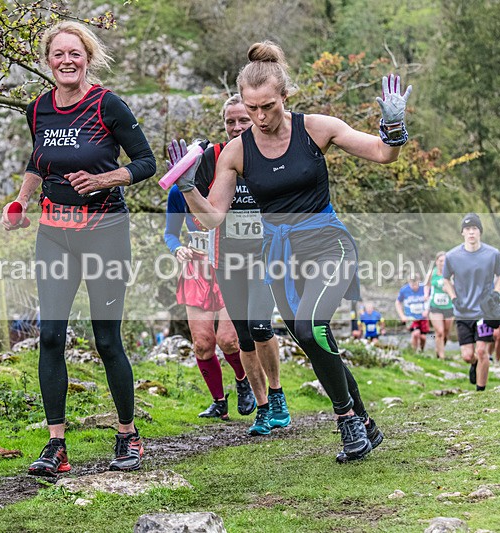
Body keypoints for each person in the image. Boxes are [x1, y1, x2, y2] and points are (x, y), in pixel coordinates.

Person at [175, 41, 412, 462]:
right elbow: (212, 218)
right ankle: (365, 422)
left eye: (267, 106)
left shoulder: (317, 128)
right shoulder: (237, 151)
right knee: (316, 339)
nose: (259, 117)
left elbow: (383, 154)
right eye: (251, 109)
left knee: (309, 326)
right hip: (281, 257)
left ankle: (346, 421)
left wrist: (392, 129)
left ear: (285, 96)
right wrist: (189, 185)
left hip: (327, 245)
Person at [1, 21, 156, 476]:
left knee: (106, 339)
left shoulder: (108, 105)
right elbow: (37, 161)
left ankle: (128, 435)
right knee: (50, 336)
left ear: (87, 58)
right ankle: (56, 446)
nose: (66, 61)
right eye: (58, 54)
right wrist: (20, 201)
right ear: (48, 61)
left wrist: (103, 179)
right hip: (54, 234)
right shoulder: (38, 109)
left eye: (75, 53)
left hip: (106, 232)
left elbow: (145, 162)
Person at [185, 94, 290, 436]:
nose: (236, 127)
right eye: (230, 121)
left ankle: (277, 393)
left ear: (257, 118)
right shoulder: (213, 157)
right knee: (244, 337)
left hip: (264, 257)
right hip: (226, 259)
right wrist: (186, 180)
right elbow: (200, 214)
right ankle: (262, 407)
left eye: (243, 119)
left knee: (260, 326)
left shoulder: (273, 152)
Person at [164, 156, 256, 421]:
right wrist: (177, 249)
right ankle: (219, 402)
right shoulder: (178, 192)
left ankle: (243, 382)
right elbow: (170, 233)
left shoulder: (228, 185)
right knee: (202, 344)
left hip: (227, 265)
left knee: (228, 340)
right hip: (196, 270)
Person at [441, 213, 500, 391]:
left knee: (482, 350)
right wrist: (454, 298)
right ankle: (474, 363)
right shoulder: (452, 256)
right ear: (462, 232)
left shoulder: (492, 254)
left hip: (484, 312)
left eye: (474, 228)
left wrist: (496, 293)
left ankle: (480, 391)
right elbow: (445, 279)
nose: (471, 232)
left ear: (480, 232)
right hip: (463, 312)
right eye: (467, 229)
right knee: (468, 355)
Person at [425, 251, 454, 360]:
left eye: (445, 261)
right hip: (435, 306)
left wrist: (449, 289)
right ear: (436, 262)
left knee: (446, 333)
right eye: (441, 261)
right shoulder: (431, 273)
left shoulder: (452, 274)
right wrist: (426, 295)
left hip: (449, 306)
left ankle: (439, 350)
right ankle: (442, 357)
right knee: (439, 332)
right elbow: (426, 285)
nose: (443, 263)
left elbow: (458, 288)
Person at [395, 274, 429, 352]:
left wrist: (427, 310)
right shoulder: (404, 290)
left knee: (423, 337)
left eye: (416, 284)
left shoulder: (424, 288)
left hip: (422, 317)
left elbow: (430, 299)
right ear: (409, 282)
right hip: (411, 317)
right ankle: (413, 352)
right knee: (415, 334)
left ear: (419, 282)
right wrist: (402, 316)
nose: (414, 287)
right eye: (412, 285)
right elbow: (397, 303)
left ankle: (421, 351)